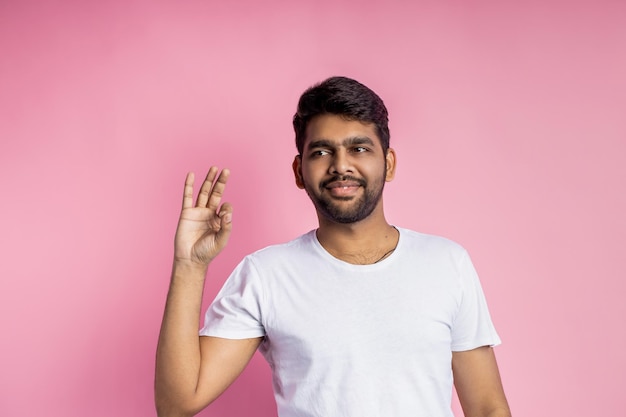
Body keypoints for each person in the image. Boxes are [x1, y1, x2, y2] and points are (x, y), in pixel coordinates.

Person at [155, 76, 511, 417]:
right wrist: (189, 264)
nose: (341, 166)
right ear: (299, 171)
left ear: (388, 164)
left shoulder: (447, 263)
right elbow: (178, 403)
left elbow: (487, 408)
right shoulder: (266, 275)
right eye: (322, 151)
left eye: (359, 148)